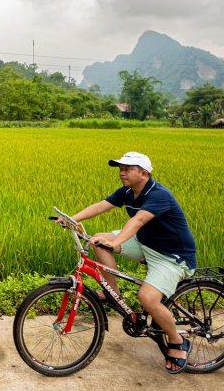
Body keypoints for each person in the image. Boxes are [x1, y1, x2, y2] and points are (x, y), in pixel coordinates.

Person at [67, 151, 197, 374]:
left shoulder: (159, 195)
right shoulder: (128, 191)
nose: (122, 173)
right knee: (99, 239)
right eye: (120, 169)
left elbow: (138, 221)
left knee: (147, 298)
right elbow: (102, 205)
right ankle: (112, 293)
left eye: (127, 169)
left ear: (144, 173)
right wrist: (71, 219)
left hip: (173, 256)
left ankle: (177, 342)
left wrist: (117, 243)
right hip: (147, 243)